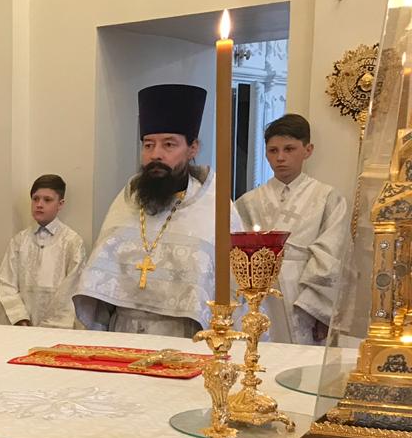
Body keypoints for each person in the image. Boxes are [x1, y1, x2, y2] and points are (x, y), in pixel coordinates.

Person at [70, 83, 237, 337]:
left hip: (185, 338)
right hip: (123, 336)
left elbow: (235, 293)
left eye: (169, 145)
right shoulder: (126, 203)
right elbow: (96, 296)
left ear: (192, 148)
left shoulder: (215, 208)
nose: (155, 155)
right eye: (148, 145)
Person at [234, 114, 348, 344]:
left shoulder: (327, 198)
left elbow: (332, 252)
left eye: (289, 149)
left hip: (304, 292)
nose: (280, 157)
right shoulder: (248, 202)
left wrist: (319, 309)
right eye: (273, 151)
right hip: (260, 293)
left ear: (308, 150)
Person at [0, 174, 86, 328]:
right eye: (35, 199)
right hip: (22, 325)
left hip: (58, 327)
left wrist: (51, 325)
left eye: (47, 200)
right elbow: (6, 281)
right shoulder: (19, 241)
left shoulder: (72, 242)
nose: (39, 204)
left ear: (60, 204)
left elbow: (72, 288)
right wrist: (20, 317)